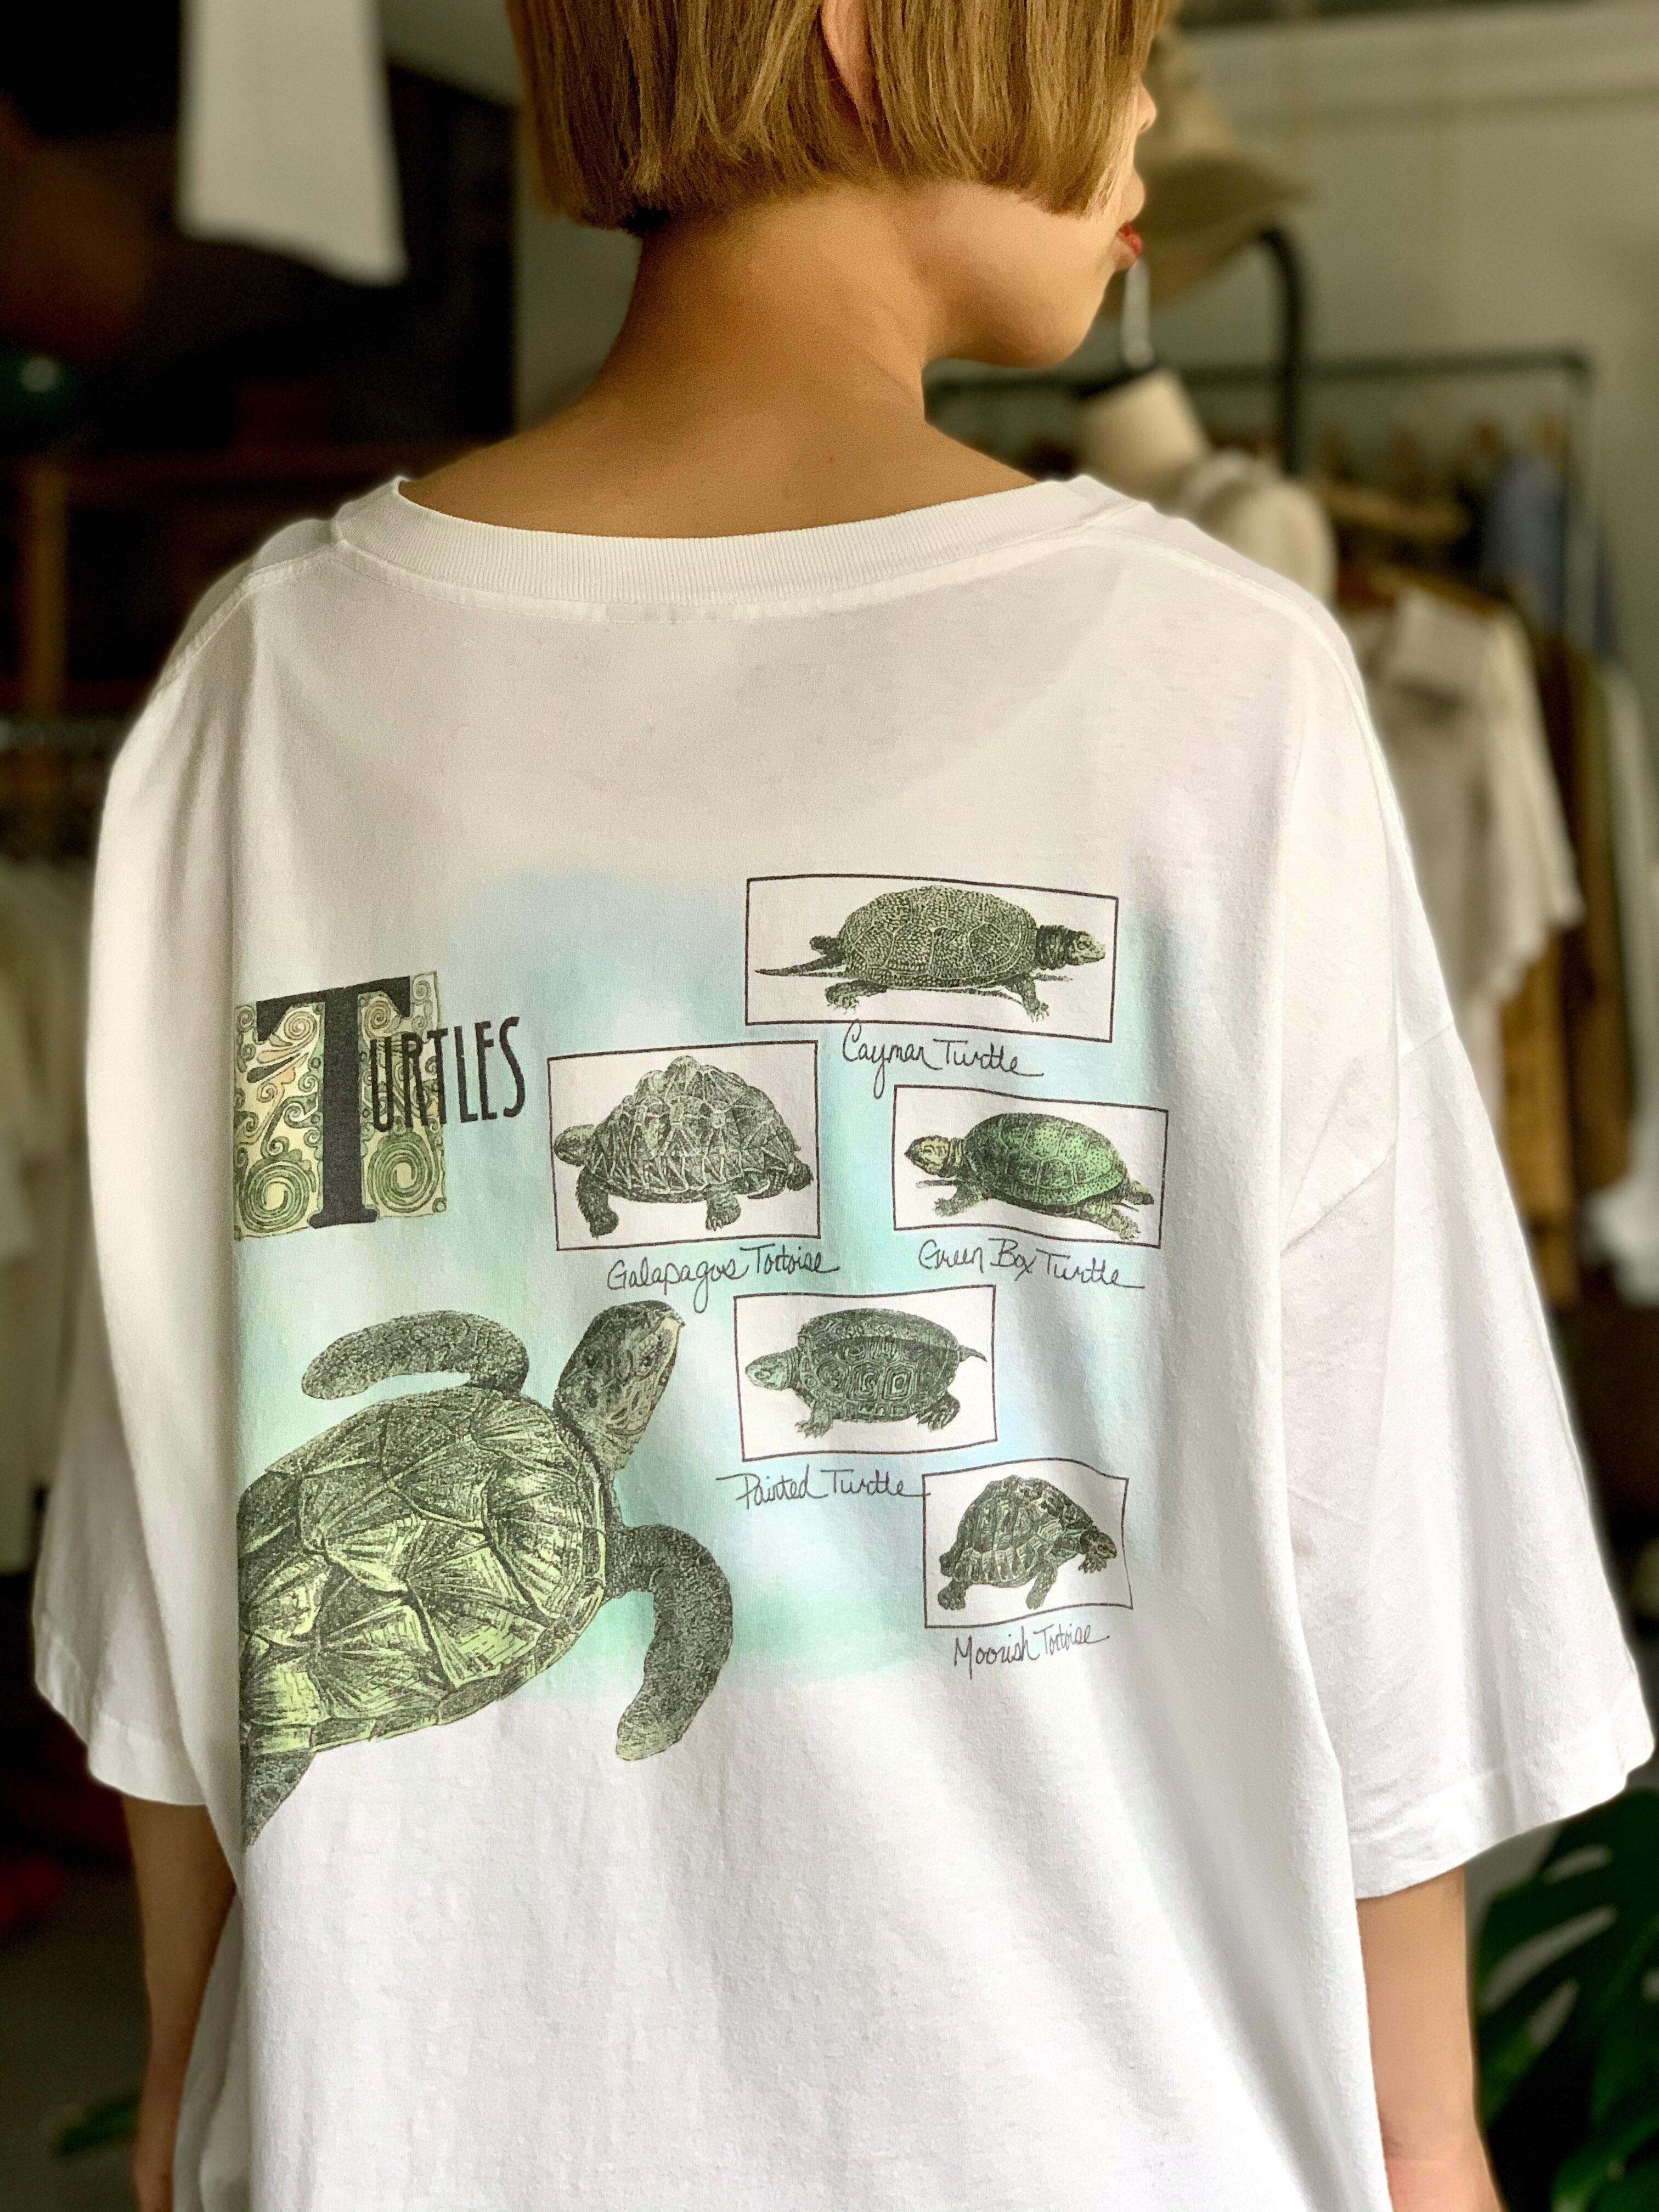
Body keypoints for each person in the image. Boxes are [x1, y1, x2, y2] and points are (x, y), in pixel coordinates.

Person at [33, 0, 1651, 2207]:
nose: (1150, 105)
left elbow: (183, 1532)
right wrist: (1434, 2148)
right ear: (873, 33)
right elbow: (1382, 1579)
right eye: (1130, 29)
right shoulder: (1221, 686)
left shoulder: (267, 685)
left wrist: (197, 2087)